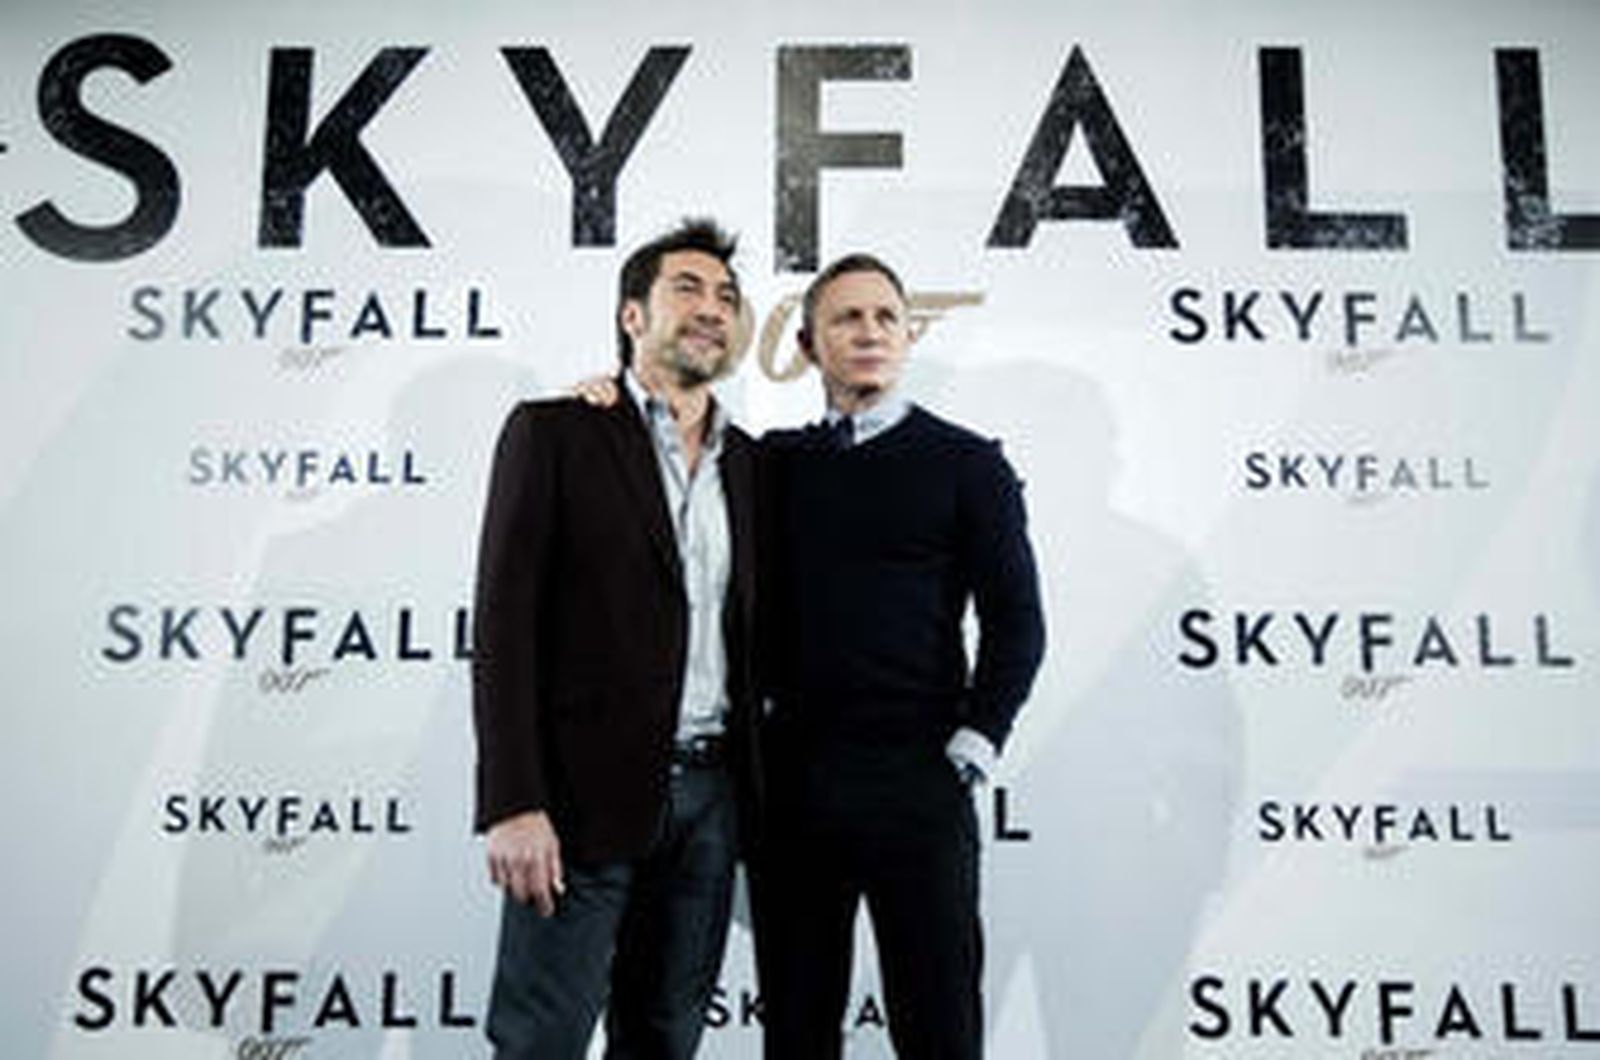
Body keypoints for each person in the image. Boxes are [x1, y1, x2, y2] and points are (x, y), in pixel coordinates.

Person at [471, 218, 759, 1060]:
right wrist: (513, 801)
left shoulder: (756, 466)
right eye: (687, 289)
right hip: (575, 802)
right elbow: (504, 626)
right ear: (633, 315)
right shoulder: (557, 432)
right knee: (542, 1042)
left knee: (666, 1041)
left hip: (712, 804)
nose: (712, 309)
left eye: (727, 297)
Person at [754, 253, 1045, 1059]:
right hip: (796, 784)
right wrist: (605, 398)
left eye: (886, 317)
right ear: (807, 345)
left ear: (909, 336)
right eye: (847, 317)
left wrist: (973, 747)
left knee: (939, 1027)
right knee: (796, 1029)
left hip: (920, 778)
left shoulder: (968, 464)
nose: (870, 332)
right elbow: (675, 445)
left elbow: (1017, 621)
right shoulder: (773, 464)